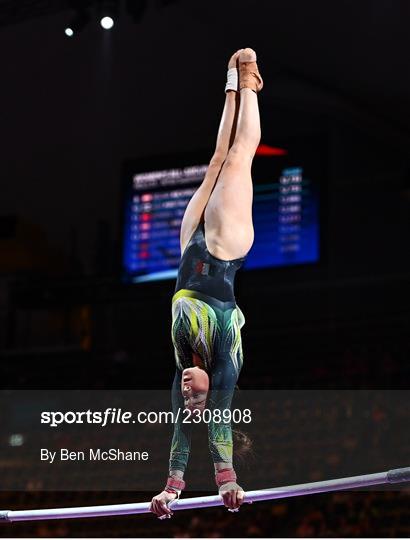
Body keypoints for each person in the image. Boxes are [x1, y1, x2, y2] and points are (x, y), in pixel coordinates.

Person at [150, 47, 263, 519]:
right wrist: (226, 481)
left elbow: (181, 438)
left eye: (187, 395)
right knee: (240, 156)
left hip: (188, 249)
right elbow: (214, 423)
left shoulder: (182, 372)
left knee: (216, 156)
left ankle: (231, 83)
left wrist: (170, 491)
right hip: (223, 249)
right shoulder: (224, 367)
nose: (190, 390)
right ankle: (252, 82)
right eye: (199, 395)